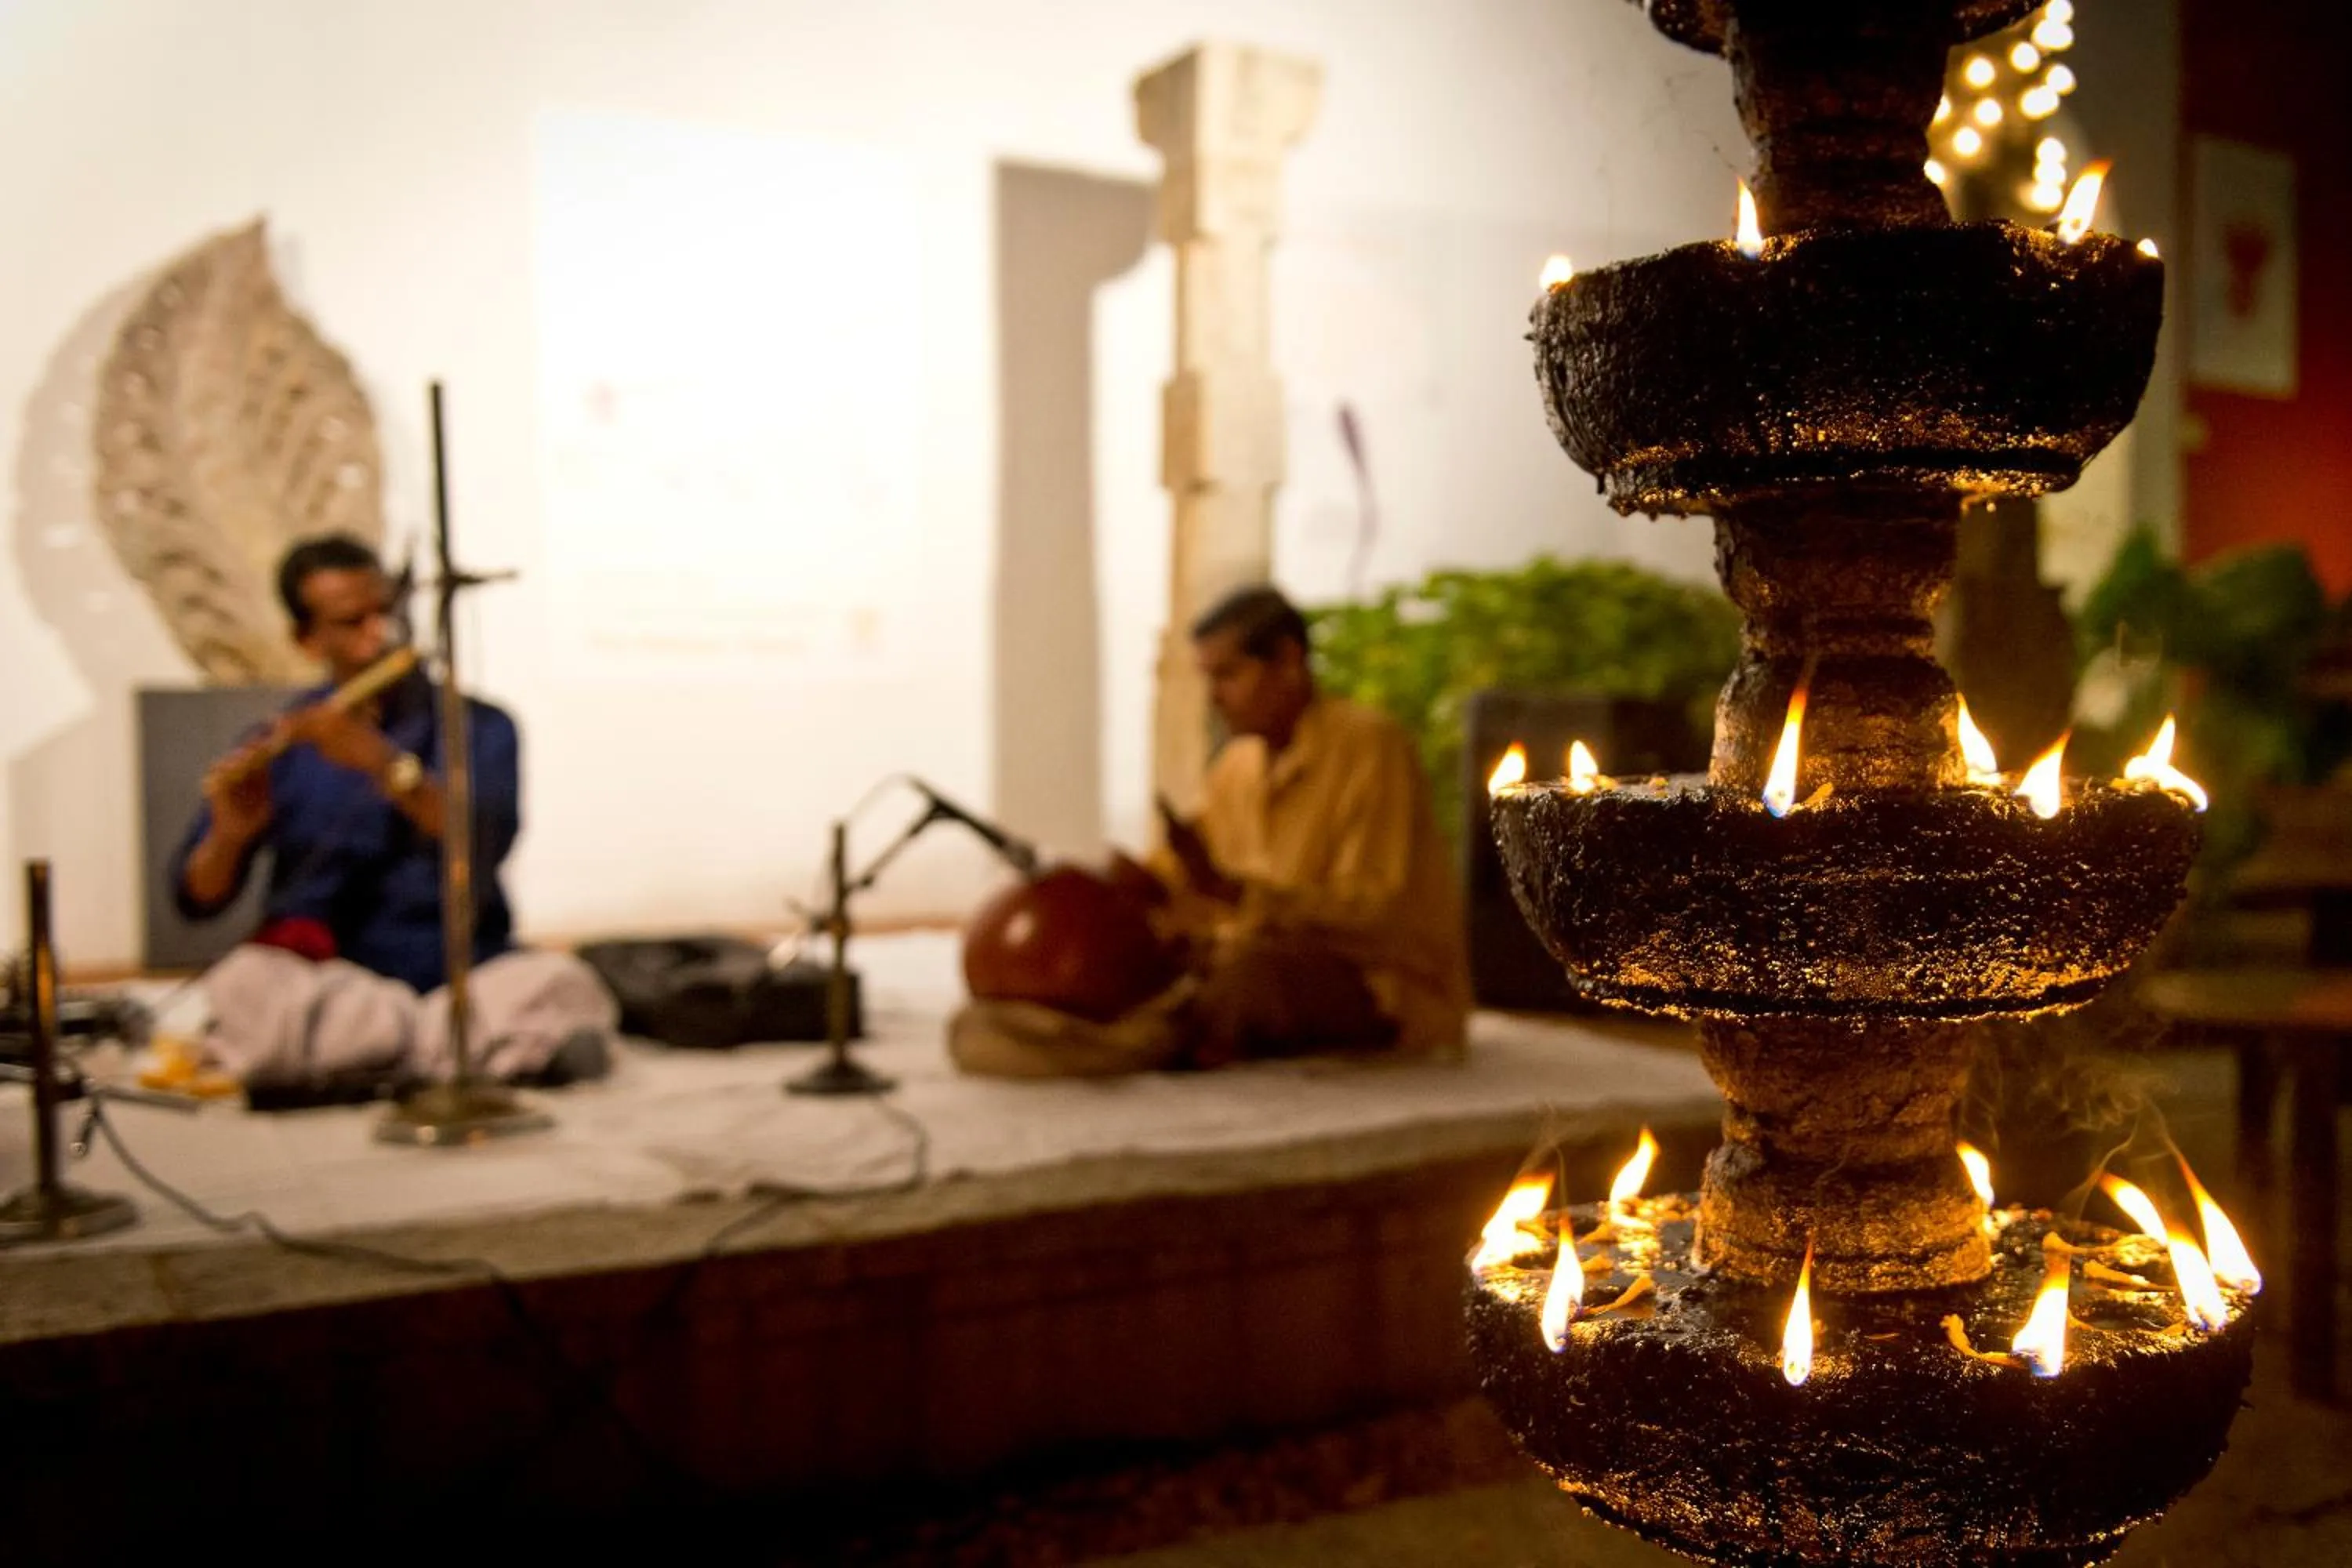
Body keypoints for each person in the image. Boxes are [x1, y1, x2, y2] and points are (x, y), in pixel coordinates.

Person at [951, 584, 1473, 1076]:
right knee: (1145, 956)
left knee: (1245, 974)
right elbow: (1190, 874)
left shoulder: (1369, 745)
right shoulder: (1239, 764)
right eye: (1208, 679)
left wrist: (1236, 895)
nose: (1214, 698)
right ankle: (1130, 1033)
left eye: (1228, 676)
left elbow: (1374, 912)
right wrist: (1130, 880)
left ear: (1289, 661)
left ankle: (1139, 1041)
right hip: (1258, 953)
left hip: (1377, 982)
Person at [168, 533, 615, 1092]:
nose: (380, 635)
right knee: (247, 983)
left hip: (460, 976)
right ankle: (434, 1054)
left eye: (387, 614)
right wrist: (230, 838)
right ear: (308, 640)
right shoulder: (284, 741)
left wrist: (382, 764)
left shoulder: (478, 726)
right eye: (353, 622)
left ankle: (370, 1059)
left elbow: (480, 841)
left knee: (558, 983)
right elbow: (197, 898)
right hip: (335, 985)